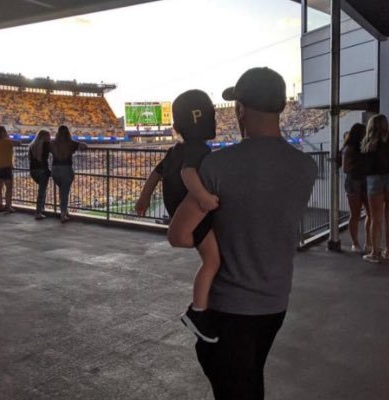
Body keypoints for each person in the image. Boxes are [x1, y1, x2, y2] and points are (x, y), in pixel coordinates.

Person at [168, 67, 318, 400]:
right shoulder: (306, 167)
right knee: (250, 378)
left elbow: (178, 235)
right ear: (280, 107)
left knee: (232, 385)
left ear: (240, 109)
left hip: (229, 307)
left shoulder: (218, 166)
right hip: (275, 302)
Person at [135, 89, 220, 343]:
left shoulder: (174, 150)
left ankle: (201, 307)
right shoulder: (199, 149)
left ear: (176, 126)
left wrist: (144, 198)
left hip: (176, 210)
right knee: (213, 261)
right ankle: (198, 311)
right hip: (193, 214)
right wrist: (204, 199)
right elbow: (188, 174)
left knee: (210, 259)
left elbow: (155, 174)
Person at [361, 114, 389, 263]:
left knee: (375, 219)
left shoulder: (368, 143)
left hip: (374, 180)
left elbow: (365, 165)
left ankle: (375, 253)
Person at [342, 123, 371, 253]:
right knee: (360, 214)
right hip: (357, 181)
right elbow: (346, 168)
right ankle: (361, 243)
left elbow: (345, 168)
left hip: (356, 181)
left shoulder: (349, 148)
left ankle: (359, 243)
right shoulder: (352, 149)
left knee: (359, 214)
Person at [50, 125, 87, 223]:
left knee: (62, 192)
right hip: (66, 169)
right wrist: (81, 143)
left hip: (54, 169)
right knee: (64, 193)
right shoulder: (71, 143)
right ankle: (63, 214)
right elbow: (83, 146)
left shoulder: (52, 143)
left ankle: (65, 211)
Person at [0, 126, 20, 213]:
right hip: (6, 167)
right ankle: (8, 206)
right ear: (3, 132)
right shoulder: (7, 141)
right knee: (9, 188)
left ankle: (0, 204)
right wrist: (8, 137)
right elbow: (19, 143)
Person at [29, 129, 51, 220]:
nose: (50, 137)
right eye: (49, 136)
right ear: (45, 136)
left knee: (42, 191)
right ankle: (38, 212)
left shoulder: (32, 145)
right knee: (42, 192)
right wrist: (48, 171)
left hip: (33, 171)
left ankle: (41, 209)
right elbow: (44, 160)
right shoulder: (45, 144)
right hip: (42, 171)